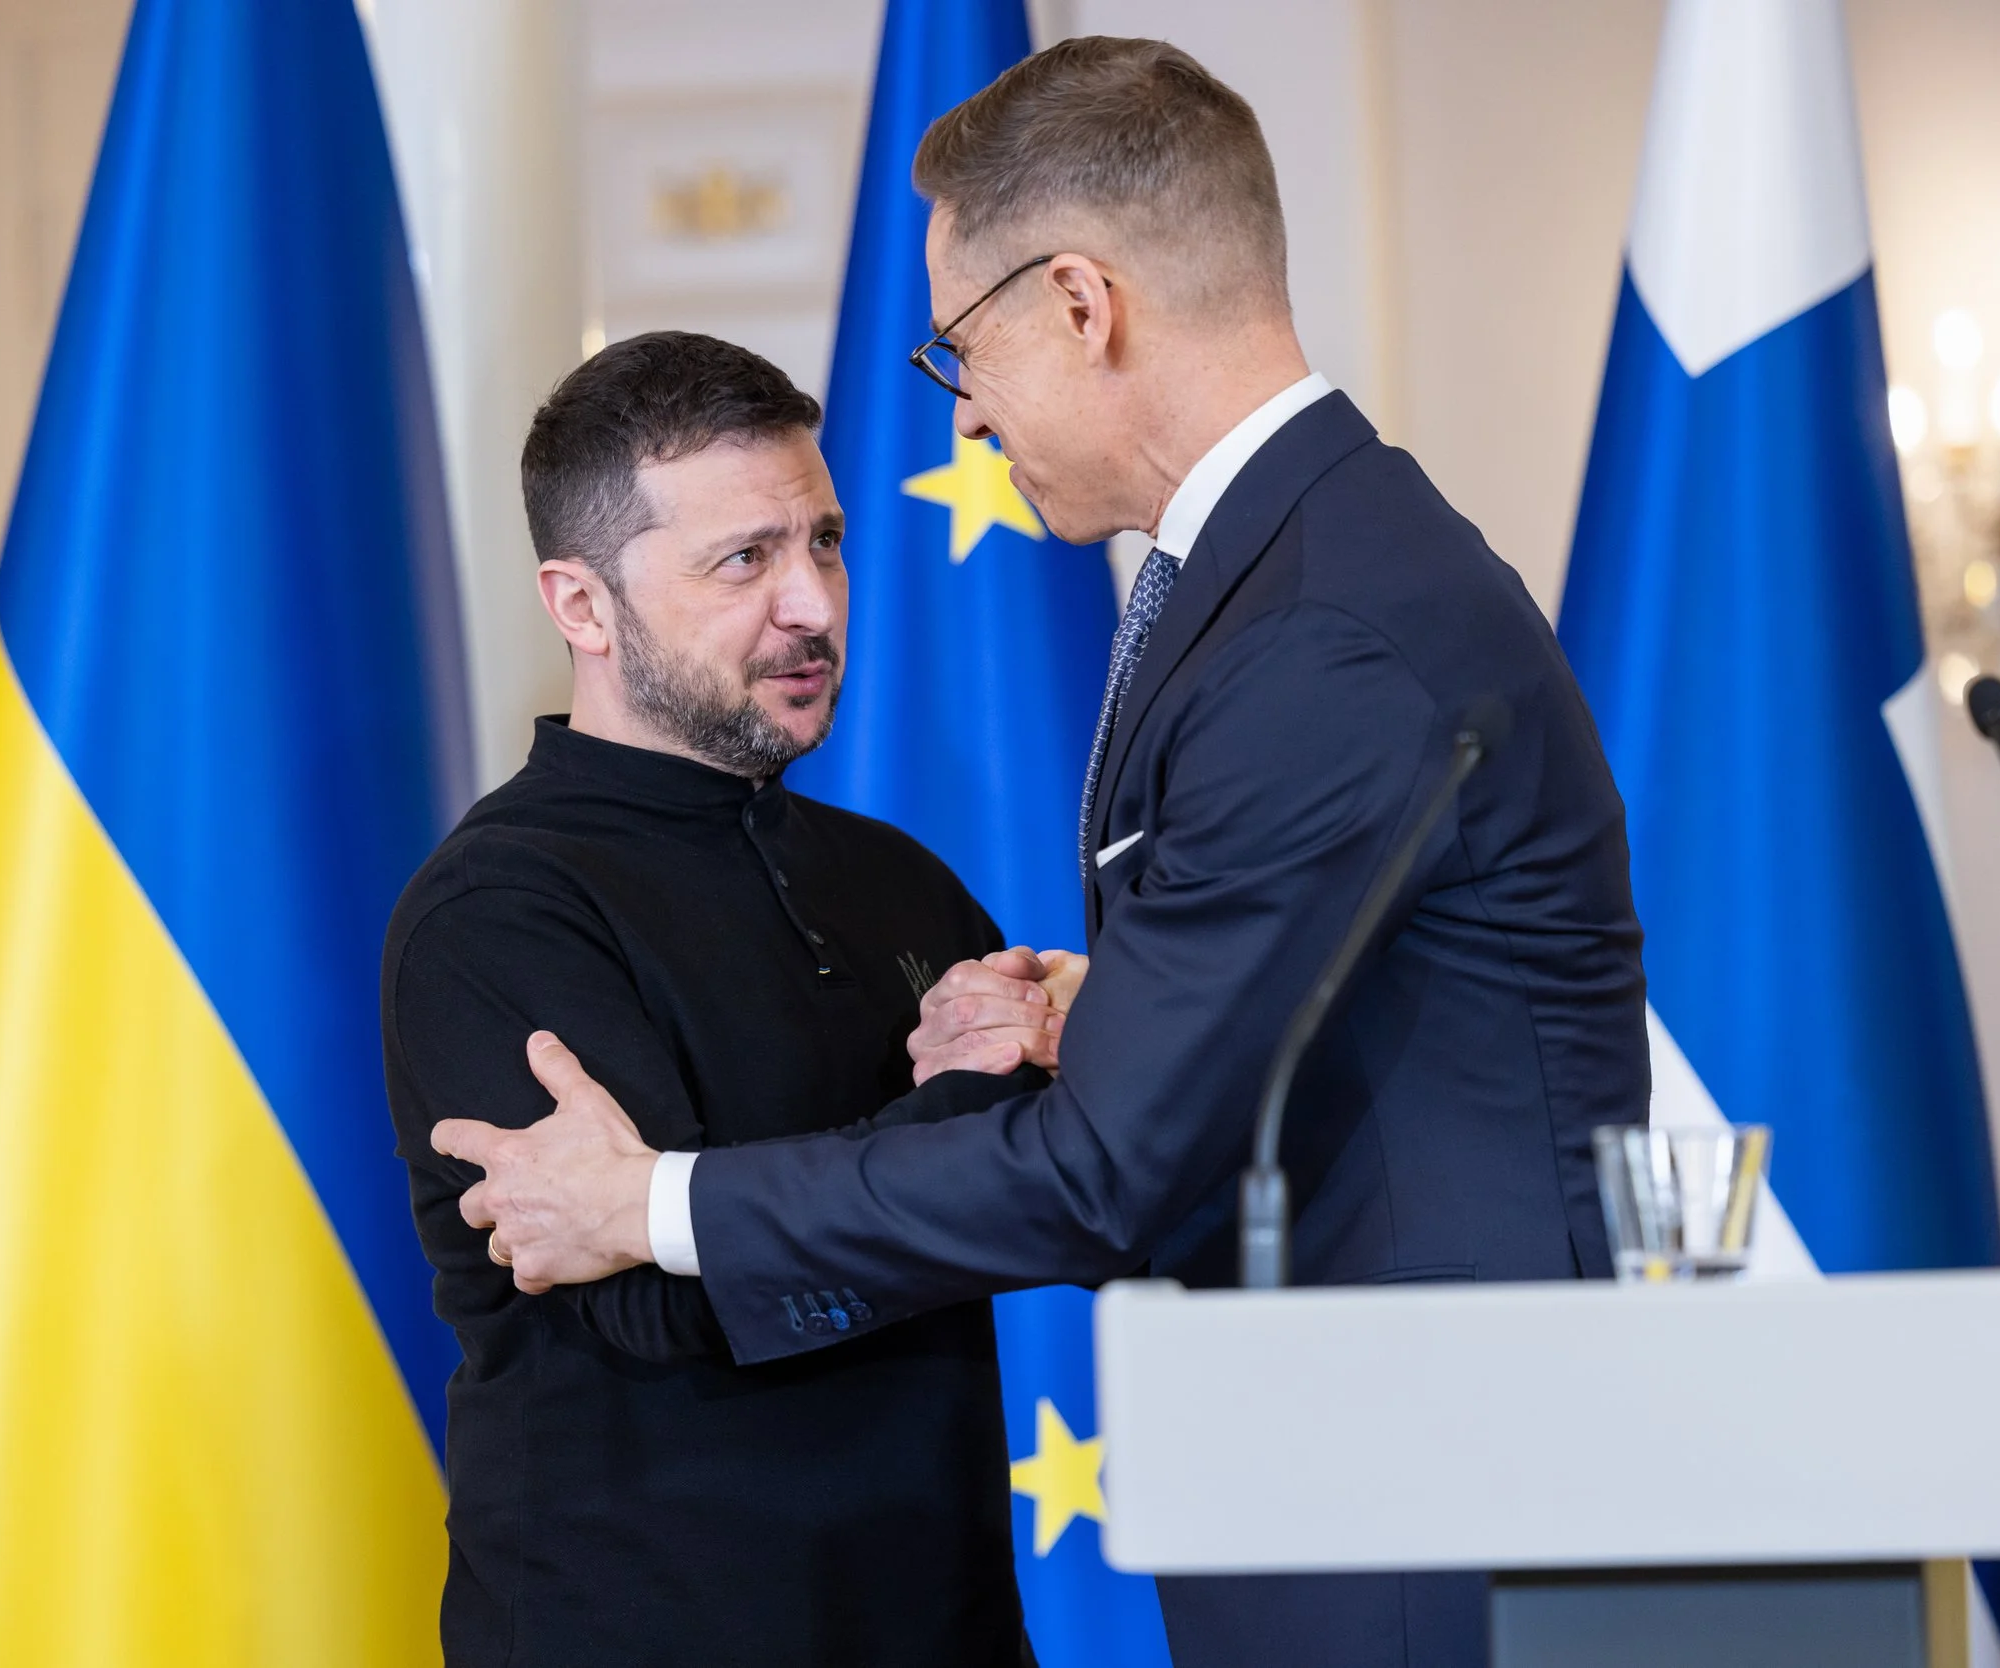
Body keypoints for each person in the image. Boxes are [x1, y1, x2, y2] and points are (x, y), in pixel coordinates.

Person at [434, 38, 1650, 1668]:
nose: (969, 411)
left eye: (960, 351)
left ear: (1082, 305)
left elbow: (1098, 1177)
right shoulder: (1308, 572)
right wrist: (1118, 1014)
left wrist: (654, 1202)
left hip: (1415, 1512)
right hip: (1369, 1479)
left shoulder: (1317, 635)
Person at [382, 331, 1056, 1668]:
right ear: (580, 606)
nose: (810, 604)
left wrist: (684, 1206)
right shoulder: (496, 915)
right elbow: (659, 1308)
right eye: (744, 559)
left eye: (824, 541)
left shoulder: (898, 880)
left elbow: (1065, 1191)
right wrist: (967, 1110)